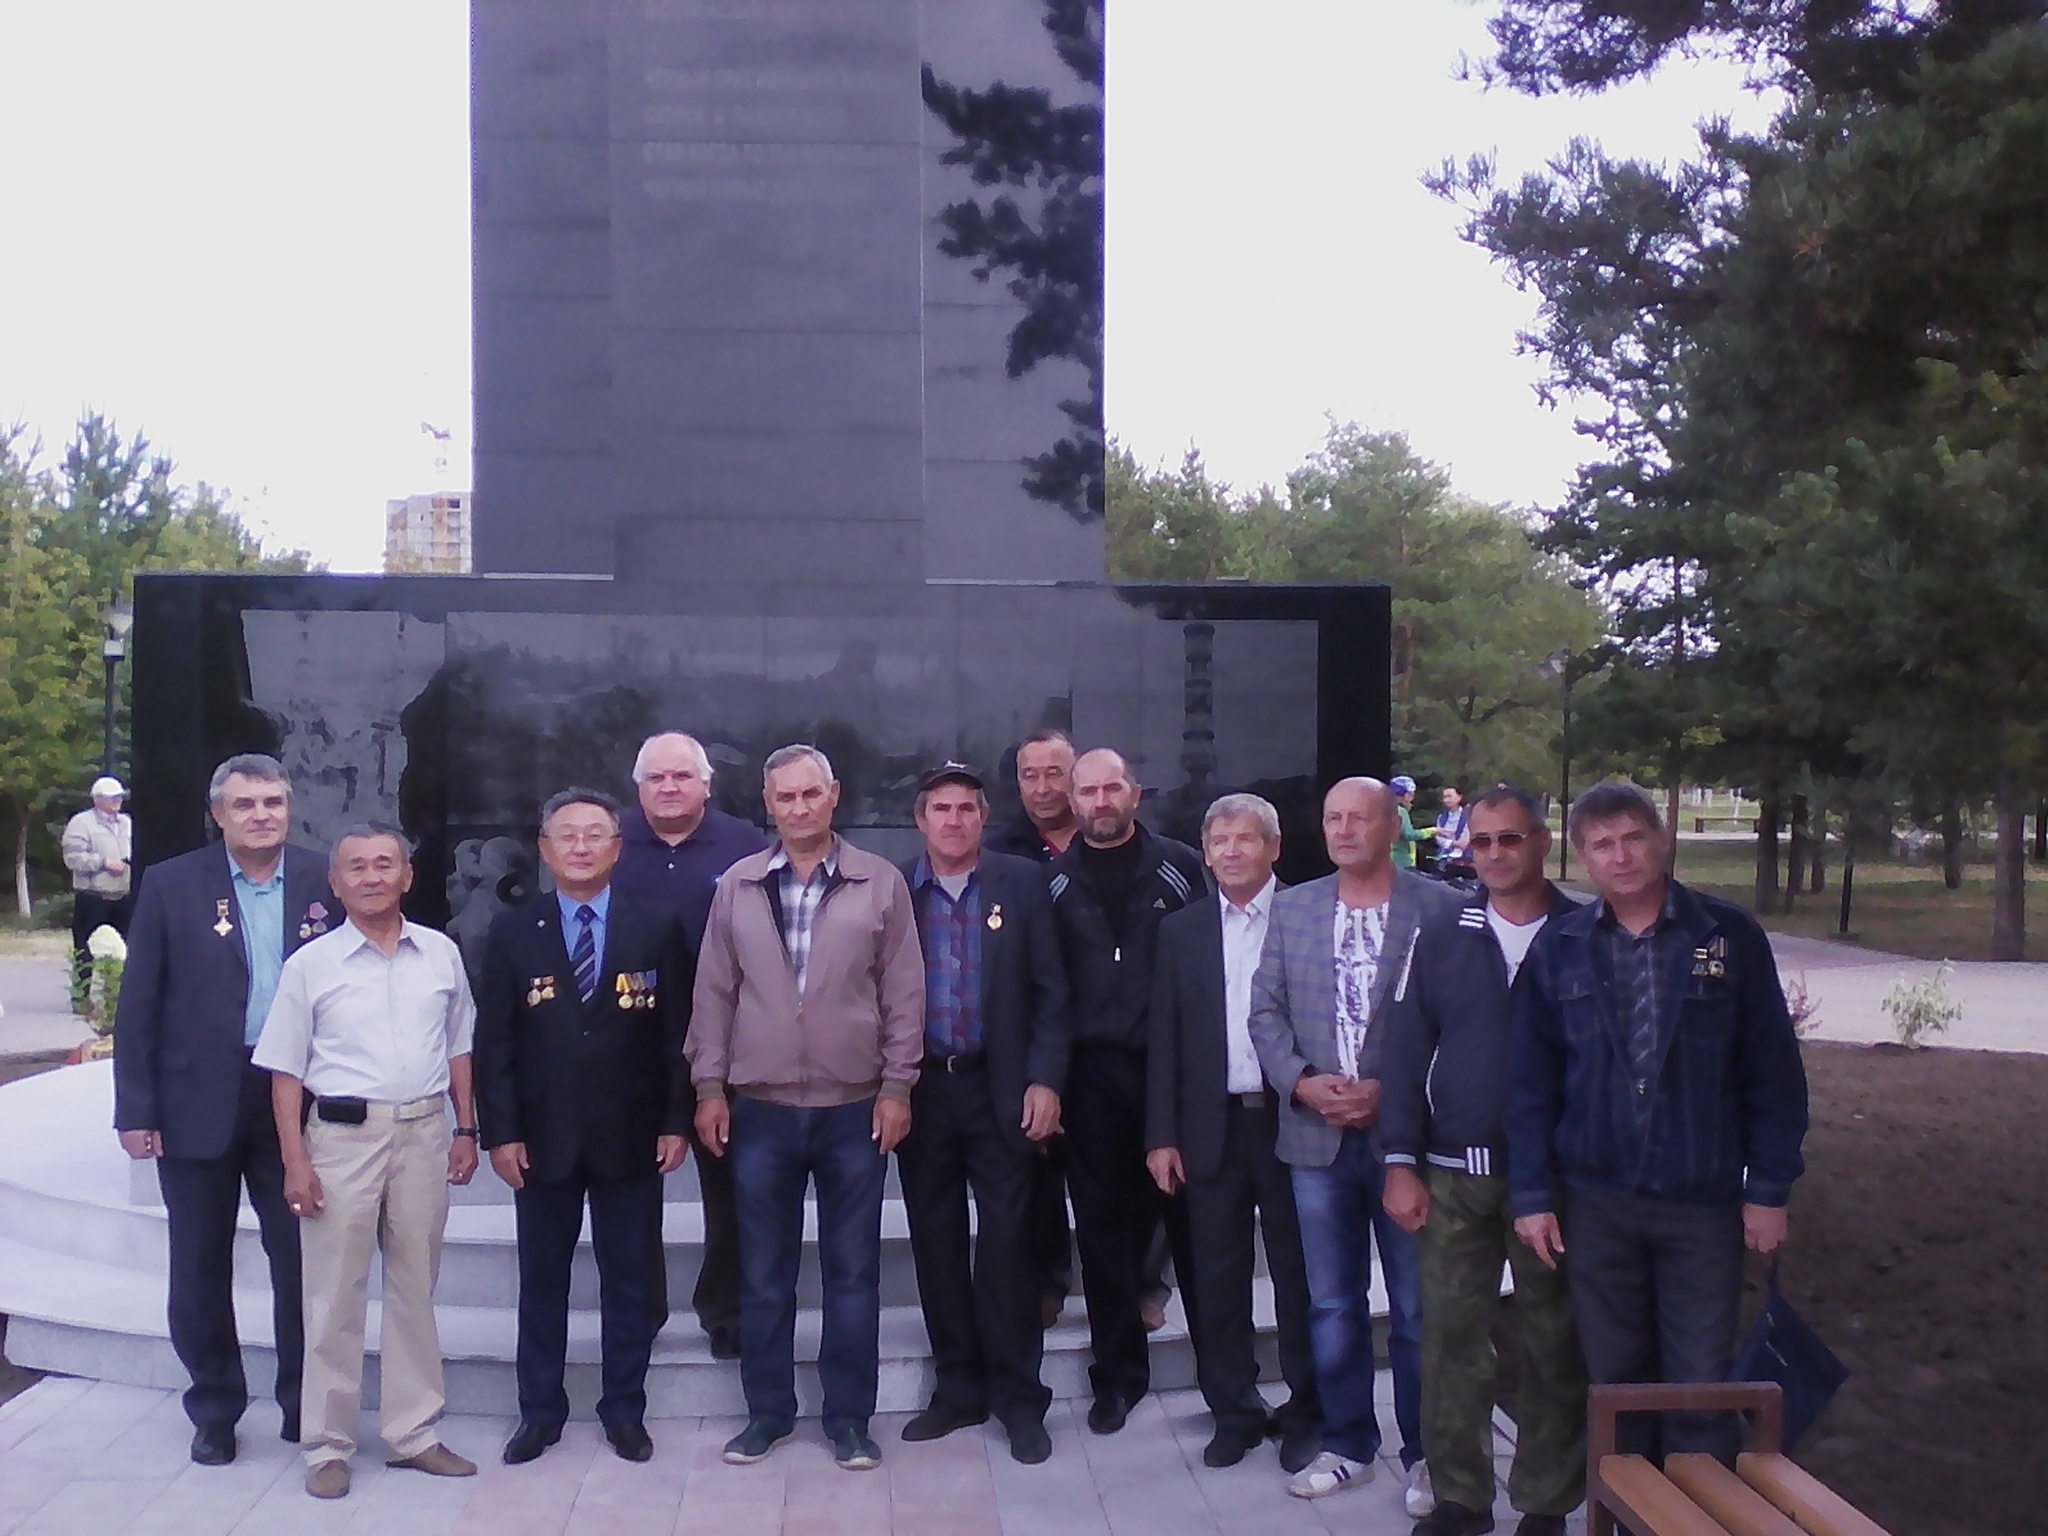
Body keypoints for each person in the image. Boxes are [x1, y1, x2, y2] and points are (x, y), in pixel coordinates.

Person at [1508, 781, 1808, 1465]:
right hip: (1597, 1204)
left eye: (1632, 838)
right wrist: (1530, 1195)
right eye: (1602, 845)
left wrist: (1769, 1189)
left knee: (1699, 1383)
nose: (1620, 857)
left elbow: (1773, 1072)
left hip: (1700, 1202)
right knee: (1618, 1382)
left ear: (1661, 839)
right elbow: (1529, 1084)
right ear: (1582, 856)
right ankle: (1628, 1506)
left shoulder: (1727, 936)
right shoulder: (1561, 946)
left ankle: (1696, 1504)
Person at [687, 744, 924, 1472]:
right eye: (785, 797)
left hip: (853, 1108)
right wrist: (709, 1087)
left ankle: (849, 1420)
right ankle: (768, 1414)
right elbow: (714, 992)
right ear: (768, 804)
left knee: (853, 1274)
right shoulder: (738, 885)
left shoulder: (879, 882)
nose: (798, 808)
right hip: (759, 1109)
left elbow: (904, 992)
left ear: (833, 796)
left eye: (810, 794)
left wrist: (897, 1087)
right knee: (764, 1275)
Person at [112, 753, 334, 1466]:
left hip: (295, 1099)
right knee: (200, 1265)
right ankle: (214, 1409)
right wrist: (135, 1108)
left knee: (301, 1262)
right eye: (244, 804)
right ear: (218, 814)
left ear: (288, 807)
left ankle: (304, 1406)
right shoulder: (171, 884)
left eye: (272, 801)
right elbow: (139, 1001)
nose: (260, 815)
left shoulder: (324, 877)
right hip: (195, 1101)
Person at [1380, 785, 1588, 1536]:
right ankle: (1462, 1499)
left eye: (1511, 838)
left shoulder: (1583, 933)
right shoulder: (1443, 933)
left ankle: (1547, 1503)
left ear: (1542, 842)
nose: (1495, 854)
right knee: (1450, 1341)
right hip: (1452, 1175)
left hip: (1555, 1183)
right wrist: (1398, 1161)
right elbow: (1404, 1052)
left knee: (1552, 1342)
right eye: (1483, 841)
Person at [255, 823, 480, 1500]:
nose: (372, 877)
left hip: (423, 1134)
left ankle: (414, 1434)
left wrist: (466, 1128)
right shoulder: (311, 965)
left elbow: (459, 1046)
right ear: (336, 882)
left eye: (385, 864)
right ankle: (327, 1445)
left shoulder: (440, 954)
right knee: (334, 1294)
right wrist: (295, 1160)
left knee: (415, 1288)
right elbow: (286, 1071)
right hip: (341, 1139)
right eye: (357, 867)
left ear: (407, 876)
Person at [1249, 776, 1458, 1506]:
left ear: (1392, 825)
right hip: (1316, 1140)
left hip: (1408, 1142)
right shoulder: (1295, 908)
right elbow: (1265, 1012)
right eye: (1332, 818)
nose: (1342, 830)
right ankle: (1347, 1445)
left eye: (1357, 818)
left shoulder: (1441, 907)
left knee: (1415, 1308)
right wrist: (1303, 1083)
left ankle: (1427, 1454)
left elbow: (1458, 1021)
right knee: (1332, 1304)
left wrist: (1393, 1093)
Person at [476, 787, 694, 1466]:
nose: (580, 847)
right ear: (545, 849)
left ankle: (624, 1410)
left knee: (629, 1280)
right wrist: (500, 1132)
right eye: (565, 835)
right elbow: (495, 1043)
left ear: (617, 848)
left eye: (594, 835)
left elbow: (676, 1035)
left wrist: (675, 1121)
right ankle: (539, 1413)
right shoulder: (513, 931)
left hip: (632, 1136)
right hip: (542, 1141)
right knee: (543, 1283)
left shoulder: (655, 925)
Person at [895, 763, 1069, 1465]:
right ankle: (958, 1389)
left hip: (1001, 1089)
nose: (954, 820)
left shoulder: (1021, 883)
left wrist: (1045, 1080)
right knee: (936, 1245)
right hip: (925, 1094)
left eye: (966, 808)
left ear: (983, 817)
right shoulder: (896, 890)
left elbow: (1053, 990)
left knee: (1007, 1247)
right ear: (921, 819)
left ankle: (1019, 1399)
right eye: (941, 808)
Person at [1145, 793, 1319, 1475]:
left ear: (1273, 847)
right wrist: (1162, 1135)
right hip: (1208, 1126)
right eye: (1219, 841)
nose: (1231, 852)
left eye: (1245, 839)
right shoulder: (1181, 930)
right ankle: (1233, 1411)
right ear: (1205, 851)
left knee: (1297, 1276)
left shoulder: (1308, 914)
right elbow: (1164, 1038)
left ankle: (1305, 1412)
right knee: (1215, 1278)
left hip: (1291, 1122)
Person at [1045, 747, 1206, 1435]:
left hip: (1174, 1071)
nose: (1101, 801)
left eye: (1113, 788)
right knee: (1103, 1231)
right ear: (1073, 801)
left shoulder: (1183, 867)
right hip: (1090, 1081)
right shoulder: (1052, 882)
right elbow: (1044, 989)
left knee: (1196, 1229)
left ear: (1135, 794)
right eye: (1089, 791)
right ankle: (1116, 1377)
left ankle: (1226, 1383)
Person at [613, 730, 766, 1359]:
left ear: (707, 784)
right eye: (657, 777)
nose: (669, 787)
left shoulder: (744, 845)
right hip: (630, 1042)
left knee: (729, 1185)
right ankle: (639, 1310)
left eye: (682, 776)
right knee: (630, 1186)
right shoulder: (611, 844)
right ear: (638, 788)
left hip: (725, 1040)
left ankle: (726, 1309)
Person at [983, 728, 1082, 1331]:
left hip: (1107, 1037)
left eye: (1054, 773)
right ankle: (1046, 1281)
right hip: (1030, 1040)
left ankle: (1141, 1284)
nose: (1043, 788)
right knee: (1036, 1167)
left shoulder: (1109, 840)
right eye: (1030, 775)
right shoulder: (1000, 855)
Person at [64, 775, 135, 984]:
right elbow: (72, 858)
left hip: (123, 897)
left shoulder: (128, 822)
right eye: (112, 797)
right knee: (84, 952)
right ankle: (82, 995)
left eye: (119, 796)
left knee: (128, 950)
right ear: (97, 799)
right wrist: (103, 863)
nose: (117, 801)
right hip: (93, 897)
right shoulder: (81, 823)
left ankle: (118, 994)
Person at [1432, 786, 1473, 877]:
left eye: (1449, 796)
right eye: (1445, 797)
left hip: (1463, 858)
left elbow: (1465, 839)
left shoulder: (1469, 816)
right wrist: (1453, 843)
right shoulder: (1441, 817)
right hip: (1443, 857)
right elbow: (1438, 837)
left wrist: (1451, 842)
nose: (1446, 800)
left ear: (1459, 797)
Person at [1391, 775, 1428, 870]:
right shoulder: (1400, 811)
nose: (1412, 797)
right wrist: (1433, 831)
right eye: (1410, 794)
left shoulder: (1386, 809)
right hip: (1402, 861)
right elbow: (1409, 834)